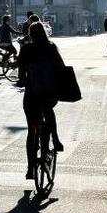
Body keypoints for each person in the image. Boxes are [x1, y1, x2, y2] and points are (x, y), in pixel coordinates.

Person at [18, 21, 66, 180]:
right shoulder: (51, 47)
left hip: (31, 96)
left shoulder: (25, 49)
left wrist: (25, 80)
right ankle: (50, 147)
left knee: (32, 131)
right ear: (45, 33)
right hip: (48, 95)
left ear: (30, 34)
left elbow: (20, 76)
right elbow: (61, 69)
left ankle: (31, 168)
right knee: (47, 115)